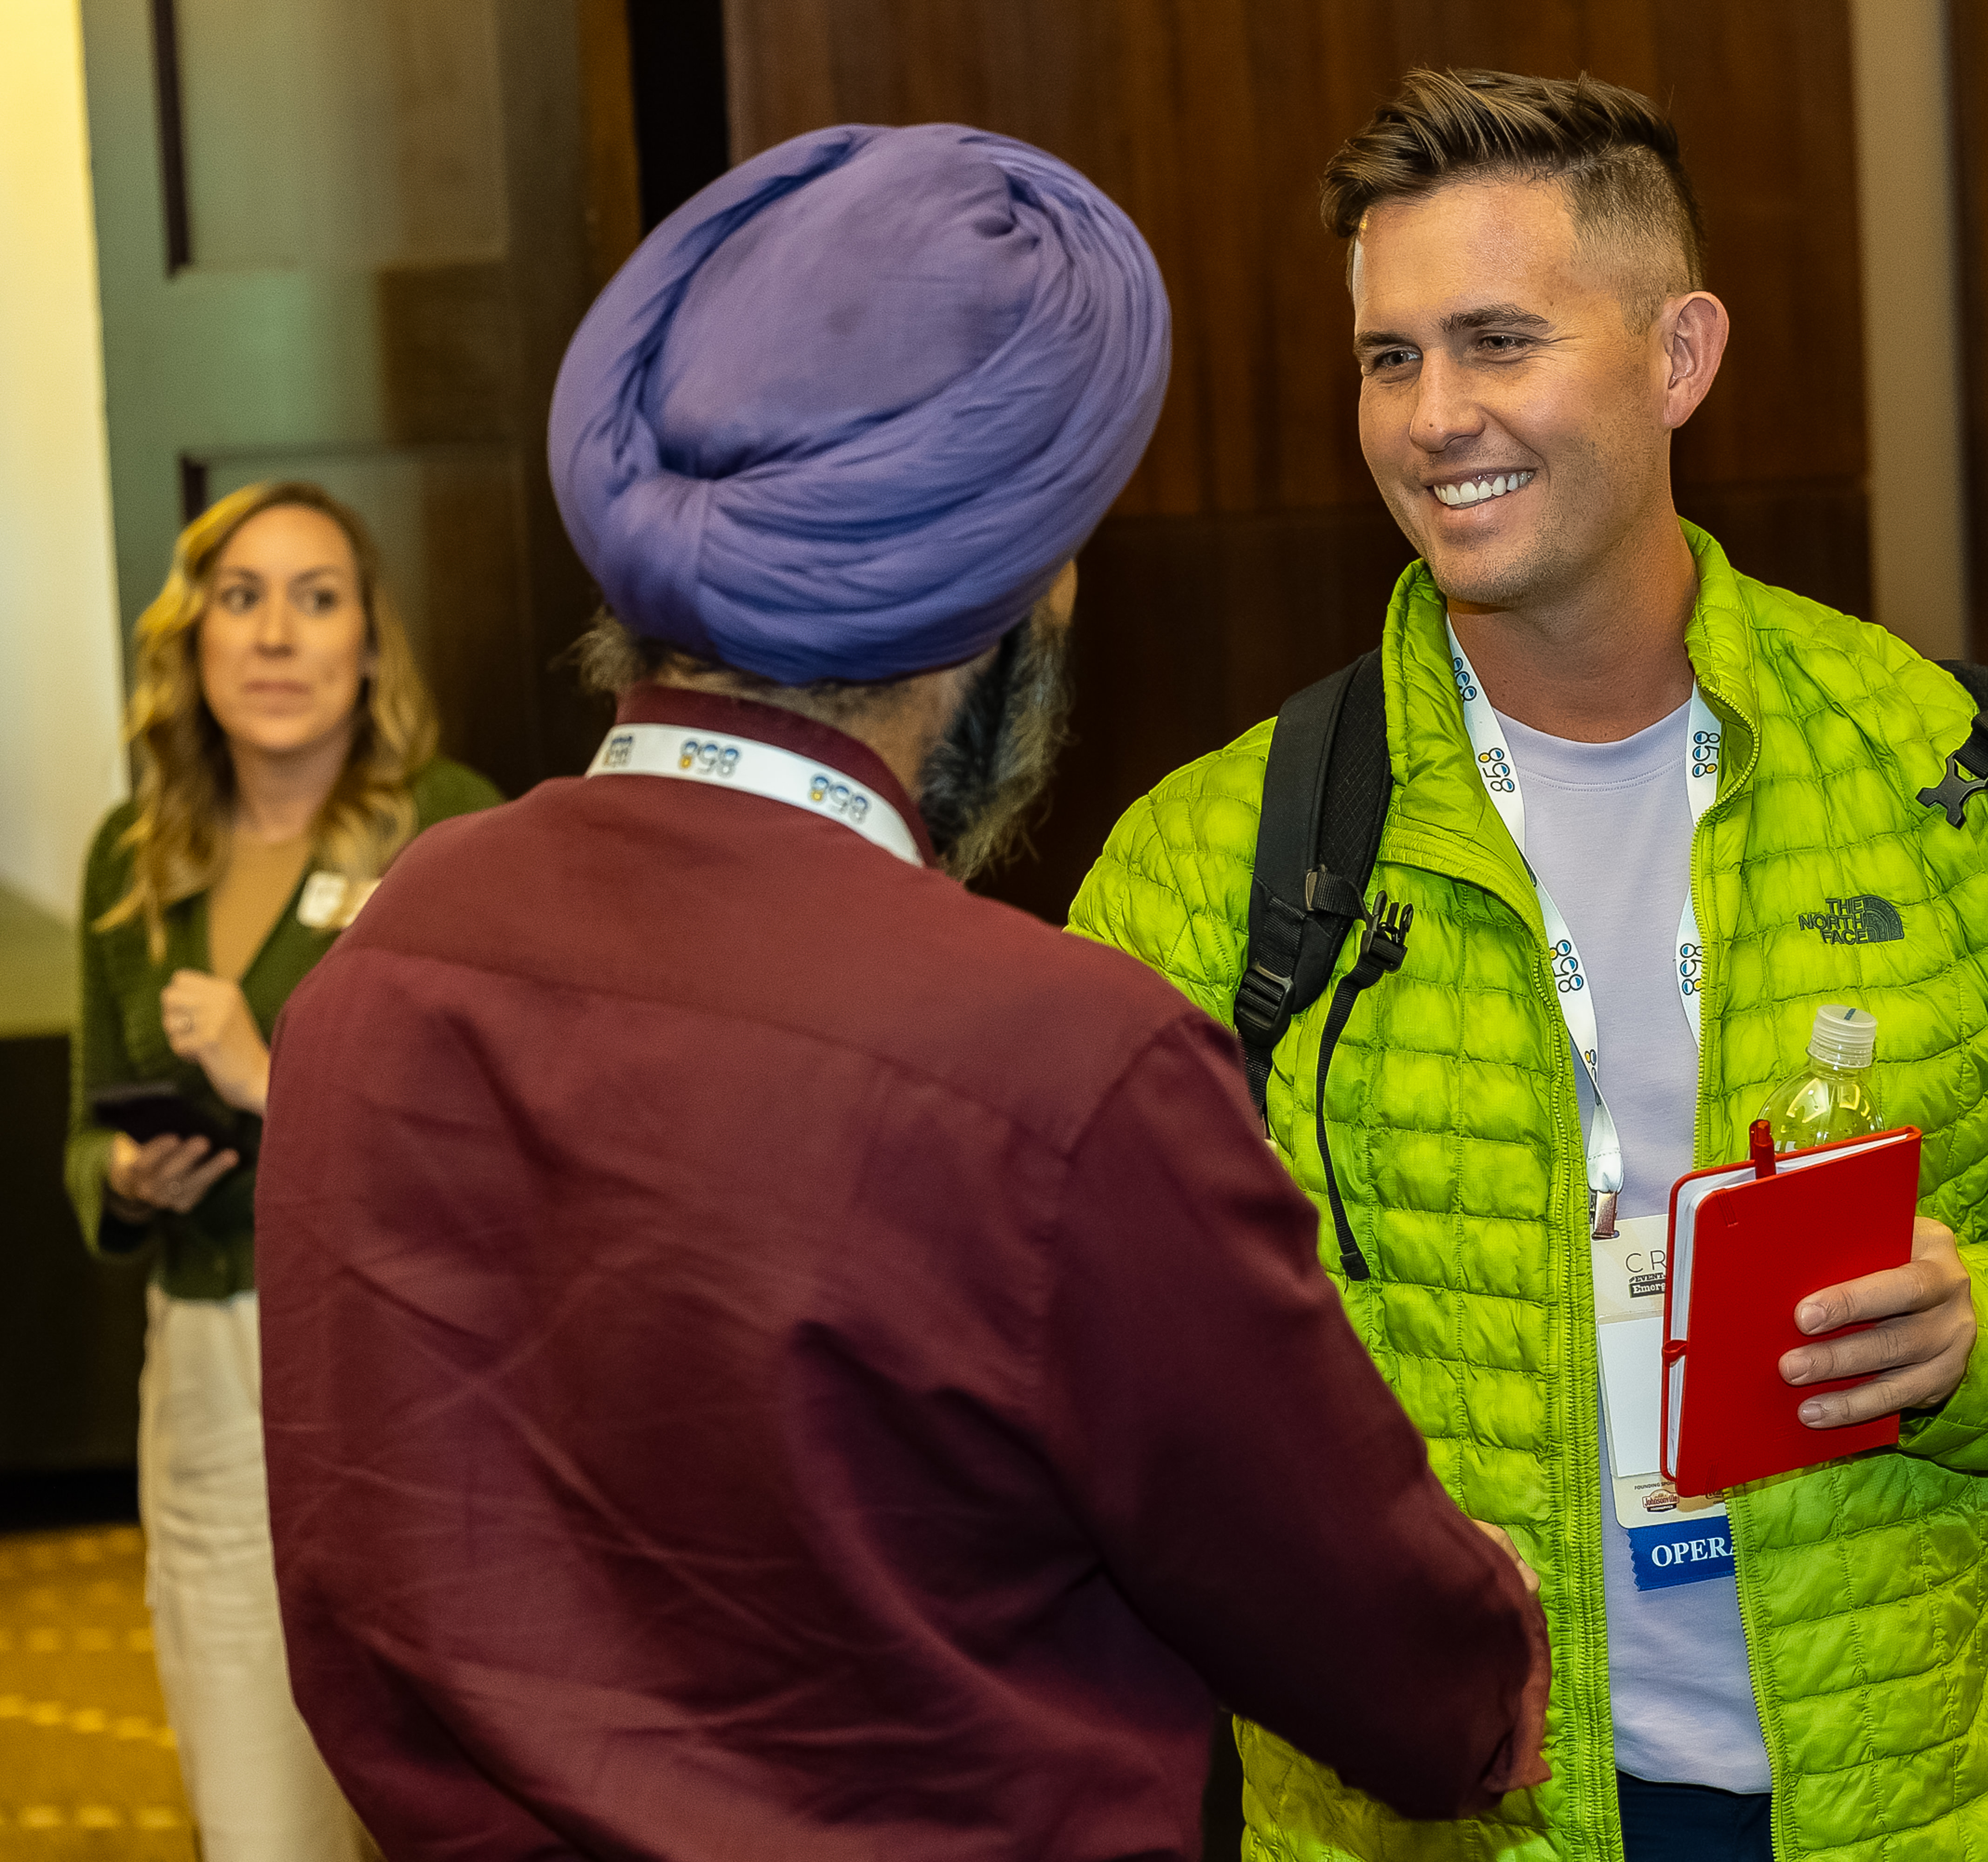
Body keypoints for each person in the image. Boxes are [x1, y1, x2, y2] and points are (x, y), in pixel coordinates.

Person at [252, 123, 1548, 1861]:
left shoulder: (382, 966)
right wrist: (1489, 1632)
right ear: (1021, 608)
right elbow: (1401, 1671)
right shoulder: (1059, 1067)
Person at [1069, 69, 1988, 1860]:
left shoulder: (1972, 782)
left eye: (1499, 339)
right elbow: (1089, 1369)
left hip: (1938, 1802)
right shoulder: (1220, 860)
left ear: (1680, 355)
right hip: (1439, 1819)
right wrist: (1312, 1538)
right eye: (1388, 357)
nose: (1434, 418)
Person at [63, 478, 501, 1860]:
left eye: (318, 600)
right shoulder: (135, 856)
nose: (275, 636)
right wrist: (124, 1180)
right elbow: (82, 1128)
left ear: (371, 644)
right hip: (202, 1363)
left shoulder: (449, 832)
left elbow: (493, 1139)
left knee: (436, 1798)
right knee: (257, 1812)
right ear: (192, 644)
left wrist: (269, 1080)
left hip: (403, 1363)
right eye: (240, 599)